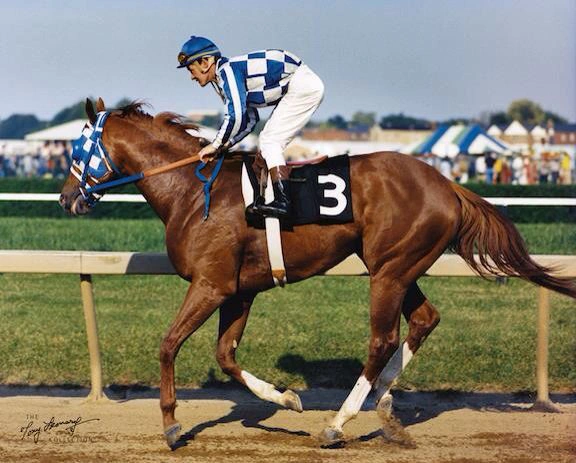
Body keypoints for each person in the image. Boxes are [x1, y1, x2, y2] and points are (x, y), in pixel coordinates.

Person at [177, 36, 325, 218]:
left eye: (191, 69)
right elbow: (249, 120)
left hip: (302, 86)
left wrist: (215, 145)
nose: (191, 76)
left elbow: (236, 115)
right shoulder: (223, 79)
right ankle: (266, 196)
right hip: (298, 84)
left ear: (206, 62)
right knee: (267, 140)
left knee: (270, 141)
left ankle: (283, 202)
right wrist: (224, 146)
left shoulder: (227, 73)